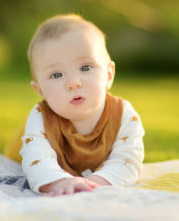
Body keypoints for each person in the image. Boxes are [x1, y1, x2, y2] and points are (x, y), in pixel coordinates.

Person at [20, 14, 145, 196]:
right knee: (18, 151)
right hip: (27, 140)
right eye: (56, 75)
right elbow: (36, 160)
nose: (73, 82)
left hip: (92, 173)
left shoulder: (124, 114)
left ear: (109, 75)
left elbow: (128, 160)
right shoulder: (41, 117)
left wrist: (94, 183)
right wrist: (60, 181)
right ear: (40, 90)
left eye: (85, 68)